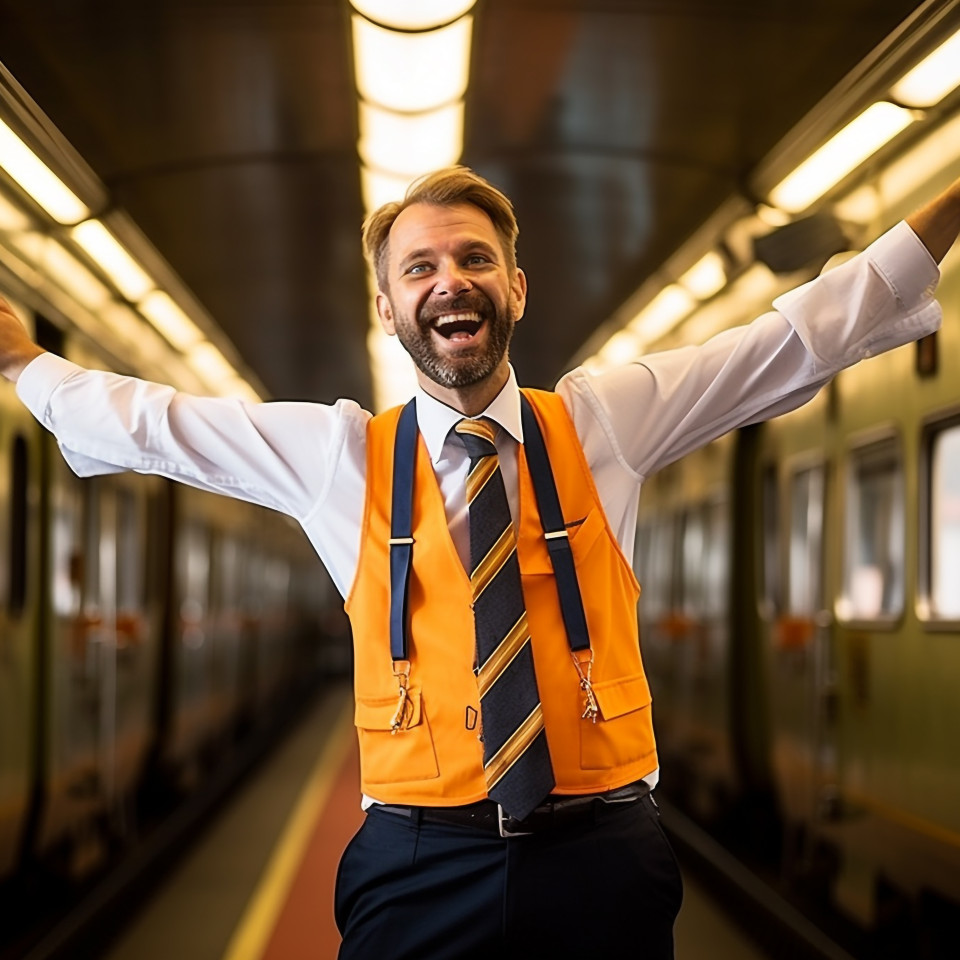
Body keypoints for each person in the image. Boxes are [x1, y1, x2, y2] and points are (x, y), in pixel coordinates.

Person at [2, 166, 959, 959]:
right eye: (419, 267)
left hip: (602, 856)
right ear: (387, 308)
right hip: (417, 864)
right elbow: (161, 426)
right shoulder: (342, 456)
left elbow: (788, 341)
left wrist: (948, 203)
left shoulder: (602, 422)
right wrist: (22, 364)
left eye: (475, 259)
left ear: (516, 287)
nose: (450, 281)